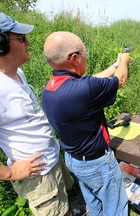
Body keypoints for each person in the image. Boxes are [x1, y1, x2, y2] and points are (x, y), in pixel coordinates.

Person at [42, 31, 130, 216]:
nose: (86, 58)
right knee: (116, 208)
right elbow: (120, 80)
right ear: (75, 59)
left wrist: (114, 64)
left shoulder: (50, 87)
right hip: (97, 163)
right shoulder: (84, 89)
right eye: (85, 54)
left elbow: (90, 82)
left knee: (94, 203)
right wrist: (123, 61)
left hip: (74, 160)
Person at [0, 13, 75, 216]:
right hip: (38, 175)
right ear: (1, 44)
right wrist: (10, 172)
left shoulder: (17, 74)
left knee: (66, 202)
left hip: (51, 160)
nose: (28, 42)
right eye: (21, 38)